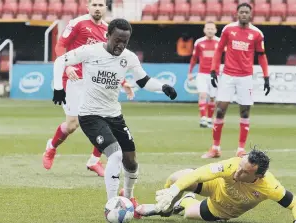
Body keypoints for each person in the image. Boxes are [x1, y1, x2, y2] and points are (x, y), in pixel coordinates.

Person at [51, 18, 178, 219]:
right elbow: (60, 61)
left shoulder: (128, 57)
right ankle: (112, 204)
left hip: (114, 115)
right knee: (116, 155)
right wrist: (59, 88)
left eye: (125, 41)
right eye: (117, 40)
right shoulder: (90, 51)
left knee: (131, 161)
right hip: (90, 115)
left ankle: (128, 198)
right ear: (108, 35)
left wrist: (163, 87)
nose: (121, 45)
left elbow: (143, 80)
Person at [42, 0, 134, 176]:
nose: (97, 8)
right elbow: (60, 46)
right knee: (72, 125)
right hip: (72, 79)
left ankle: (94, 161)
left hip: (94, 81)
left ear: (106, 8)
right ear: (88, 7)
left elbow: (111, 61)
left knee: (104, 119)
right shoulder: (77, 24)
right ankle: (51, 147)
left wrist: (123, 82)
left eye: (101, 5)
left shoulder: (109, 31)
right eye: (94, 4)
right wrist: (67, 67)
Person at [136, 148, 296, 223]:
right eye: (240, 166)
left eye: (245, 172)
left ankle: (186, 200)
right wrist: (172, 190)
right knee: (178, 177)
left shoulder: (270, 186)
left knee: (188, 214)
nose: (238, 173)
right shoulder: (233, 164)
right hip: (214, 186)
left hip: (222, 209)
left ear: (259, 176)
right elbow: (198, 174)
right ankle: (165, 208)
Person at [202, 3, 271, 159]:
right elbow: (219, 50)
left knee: (245, 111)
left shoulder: (256, 33)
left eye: (247, 12)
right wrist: (214, 70)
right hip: (227, 75)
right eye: (242, 12)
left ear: (251, 14)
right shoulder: (228, 29)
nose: (244, 14)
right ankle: (215, 148)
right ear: (237, 14)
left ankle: (240, 149)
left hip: (246, 77)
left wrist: (266, 76)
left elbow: (261, 55)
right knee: (220, 110)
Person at [188, 21, 220, 128]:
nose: (210, 31)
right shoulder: (199, 42)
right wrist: (190, 72)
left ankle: (210, 119)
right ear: (204, 30)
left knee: (212, 97)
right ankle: (203, 119)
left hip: (215, 74)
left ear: (215, 30)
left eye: (212, 29)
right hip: (202, 74)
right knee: (203, 95)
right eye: (208, 28)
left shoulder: (220, 42)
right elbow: (194, 58)